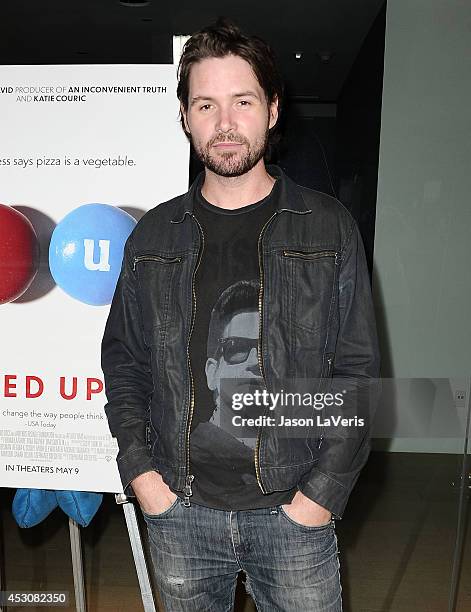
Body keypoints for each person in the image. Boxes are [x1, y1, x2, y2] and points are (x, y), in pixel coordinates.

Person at [101, 18, 380, 612]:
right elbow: (124, 361)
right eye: (205, 104)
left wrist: (319, 499)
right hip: (178, 511)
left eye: (242, 102)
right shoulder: (152, 234)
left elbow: (356, 375)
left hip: (293, 514)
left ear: (273, 110)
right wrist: (144, 478)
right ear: (184, 116)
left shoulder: (328, 228)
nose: (225, 124)